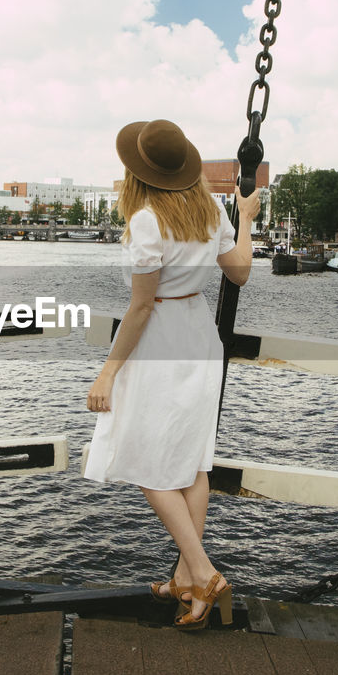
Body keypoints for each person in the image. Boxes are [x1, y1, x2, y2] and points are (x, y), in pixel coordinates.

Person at [85, 119, 260, 631]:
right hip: (199, 335)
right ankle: (188, 583)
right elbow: (242, 271)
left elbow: (139, 309)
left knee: (141, 457)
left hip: (160, 336)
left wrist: (107, 374)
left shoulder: (144, 220)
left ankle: (204, 573)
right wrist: (245, 217)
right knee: (192, 463)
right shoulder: (210, 212)